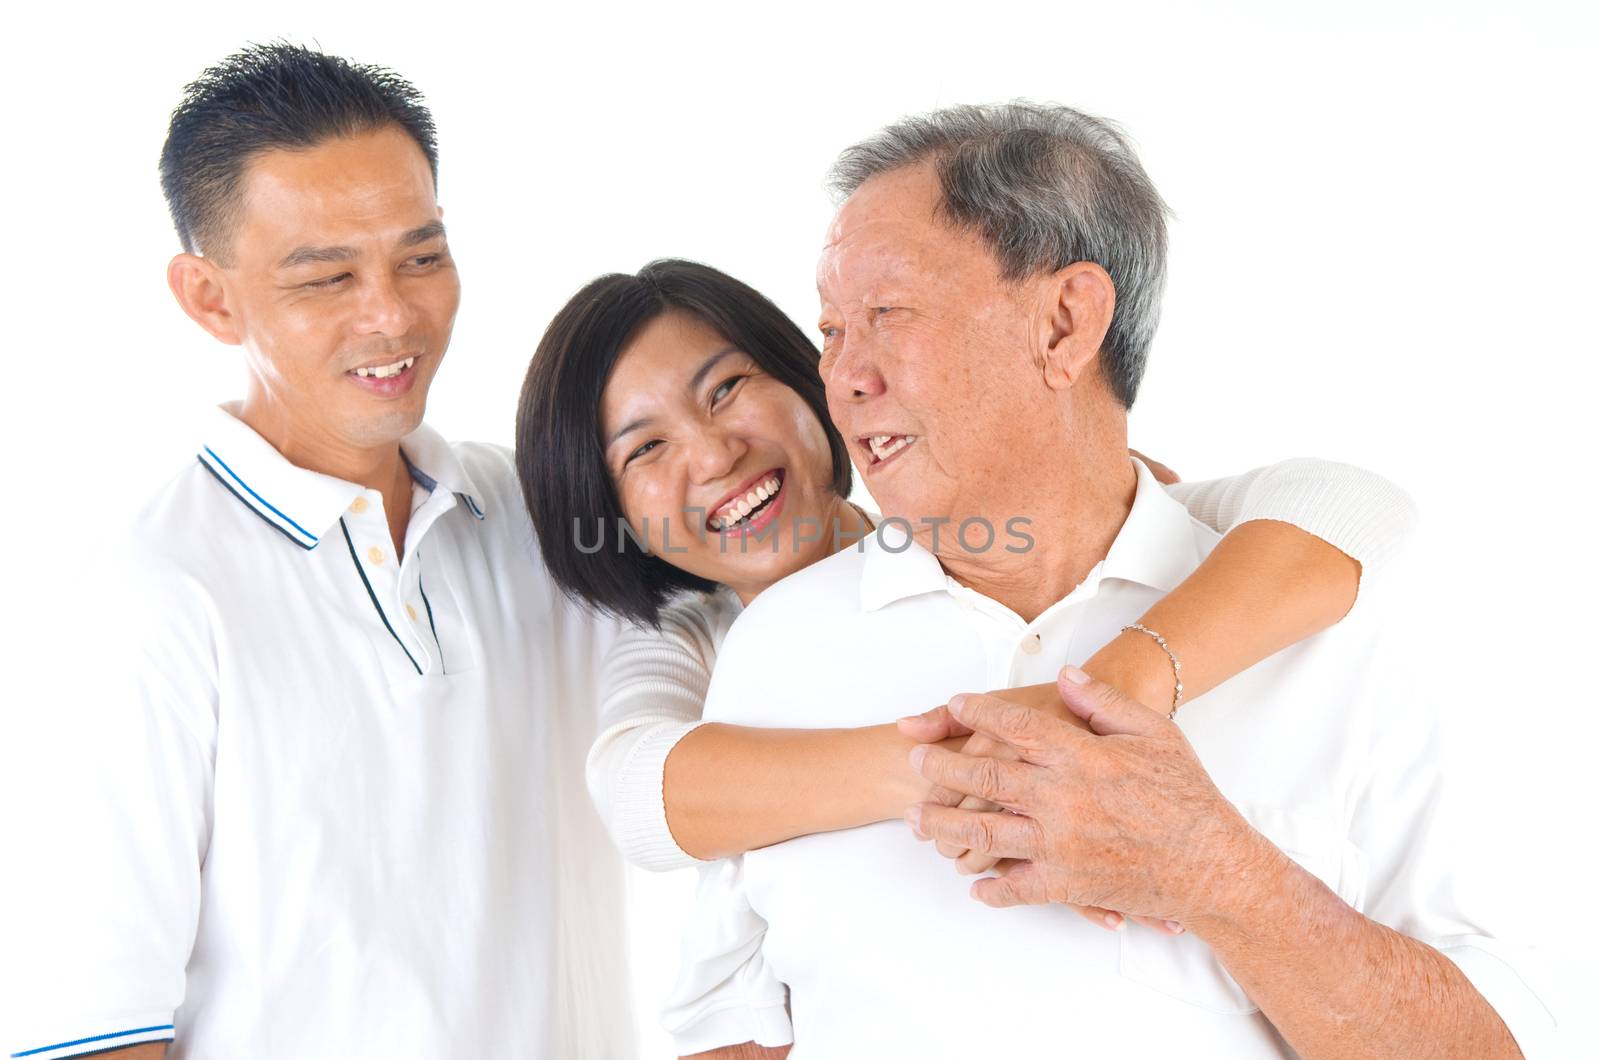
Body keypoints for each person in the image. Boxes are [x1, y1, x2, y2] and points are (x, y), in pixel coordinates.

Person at [657, 104, 1555, 1058]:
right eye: (833, 330)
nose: (844, 377)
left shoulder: (1335, 631)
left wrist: (1215, 874)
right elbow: (733, 1033)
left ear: (1064, 322)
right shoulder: (779, 650)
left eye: (887, 314)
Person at [5, 44, 628, 1060]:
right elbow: (89, 1027)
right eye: (326, 276)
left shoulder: (533, 513)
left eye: (421, 255)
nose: (392, 314)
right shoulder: (149, 596)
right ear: (210, 298)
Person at [516, 259, 1417, 951]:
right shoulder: (693, 643)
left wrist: (1121, 684)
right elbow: (639, 793)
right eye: (644, 450)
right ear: (608, 513)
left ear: (812, 380)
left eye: (728, 389)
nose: (713, 456)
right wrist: (1002, 766)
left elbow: (1343, 505)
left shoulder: (992, 539)